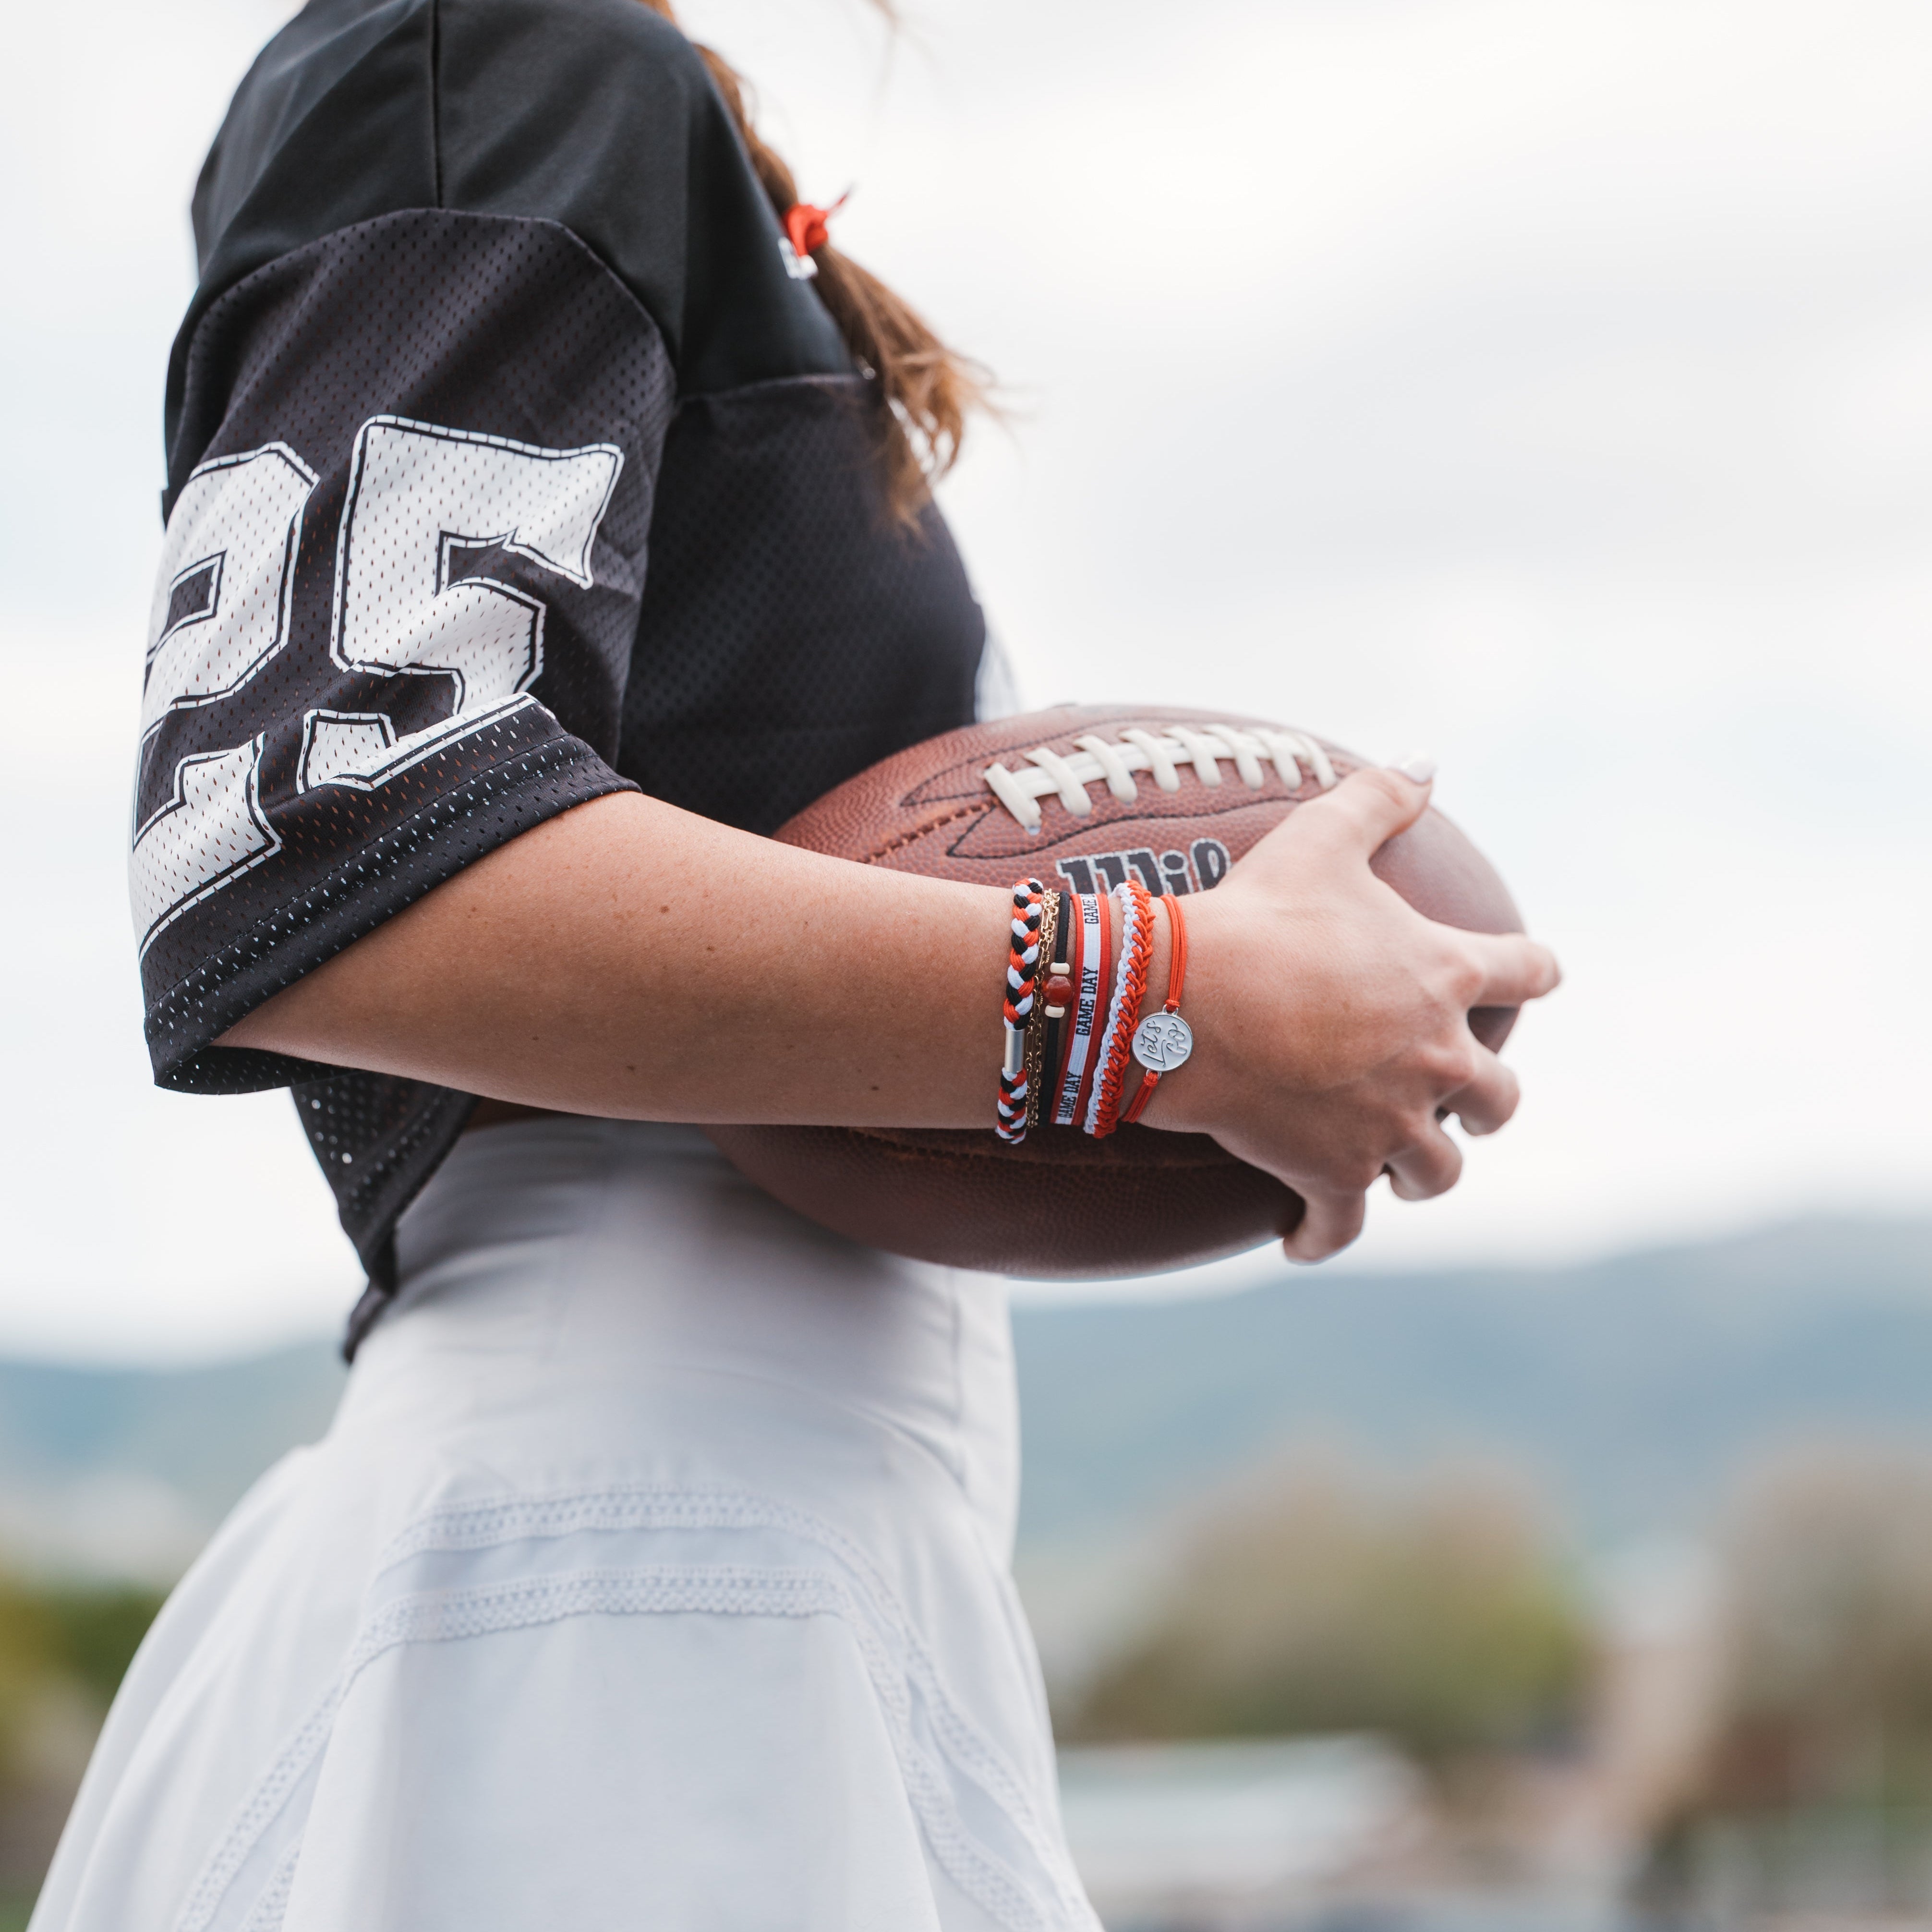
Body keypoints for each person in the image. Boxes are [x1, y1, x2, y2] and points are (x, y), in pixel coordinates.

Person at [33, 0, 1559, 1924]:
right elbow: (329, 846)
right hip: (634, 1578)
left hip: (727, 1564)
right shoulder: (493, 53)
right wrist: (1156, 996)